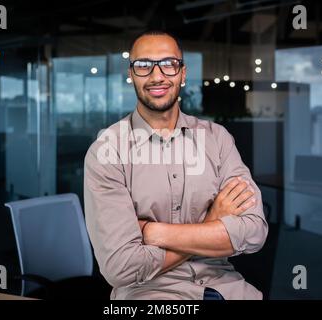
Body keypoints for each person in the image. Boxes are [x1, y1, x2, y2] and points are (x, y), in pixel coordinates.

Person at [84, 30, 268, 300]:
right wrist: (212, 222)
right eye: (144, 65)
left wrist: (153, 231)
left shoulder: (217, 139)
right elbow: (120, 268)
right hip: (150, 293)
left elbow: (254, 232)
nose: (157, 76)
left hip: (227, 287)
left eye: (169, 64)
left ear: (182, 74)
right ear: (131, 74)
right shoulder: (106, 152)